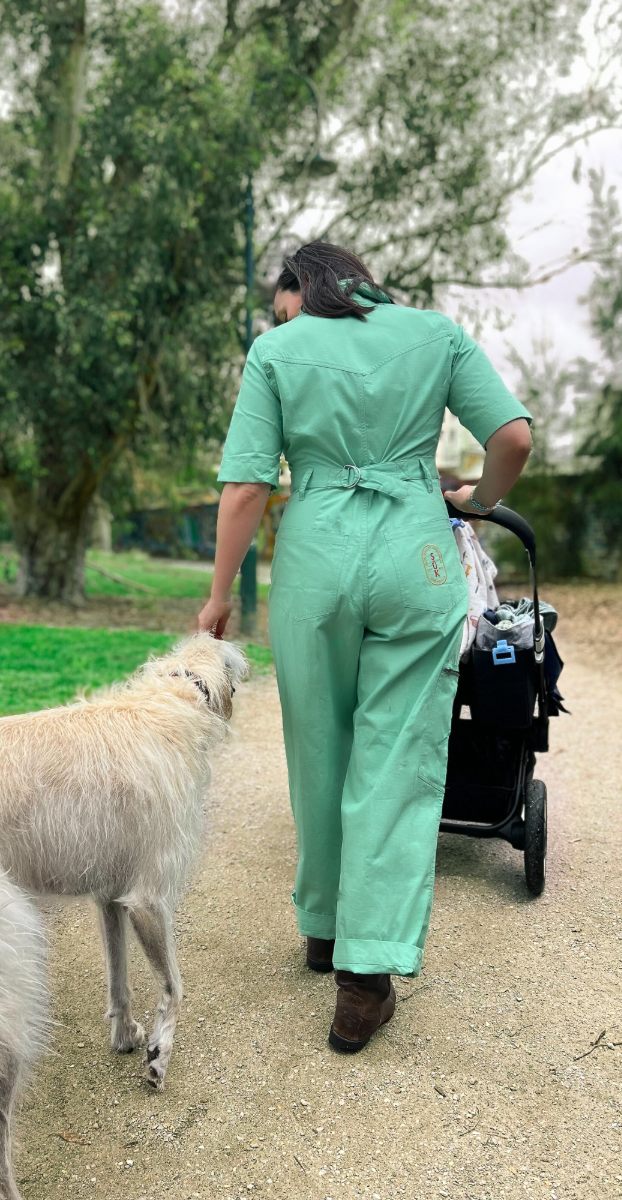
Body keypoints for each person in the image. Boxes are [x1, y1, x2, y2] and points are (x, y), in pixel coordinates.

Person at [197, 242, 532, 1052]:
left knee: (319, 744)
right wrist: (478, 502)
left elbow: (247, 486)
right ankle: (364, 978)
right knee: (395, 757)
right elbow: (514, 438)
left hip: (315, 560)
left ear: (299, 290)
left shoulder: (275, 350)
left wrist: (217, 595)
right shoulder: (436, 334)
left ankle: (324, 928)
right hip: (415, 557)